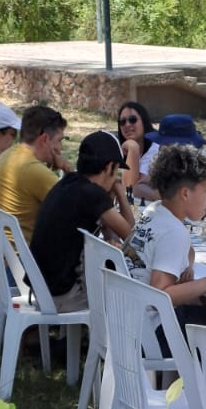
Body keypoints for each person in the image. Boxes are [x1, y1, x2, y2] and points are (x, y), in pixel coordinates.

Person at [123, 144, 206, 333]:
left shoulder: (154, 211)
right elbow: (161, 294)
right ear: (185, 193)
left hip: (128, 321)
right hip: (151, 334)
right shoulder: (173, 231)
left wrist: (187, 266)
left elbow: (186, 251)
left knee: (203, 303)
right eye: (205, 189)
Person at [0, 104, 68, 285]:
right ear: (44, 139)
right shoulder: (32, 170)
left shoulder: (10, 154)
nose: (60, 148)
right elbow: (78, 210)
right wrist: (68, 170)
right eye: (59, 141)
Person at [30, 132, 134, 311]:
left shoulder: (70, 182)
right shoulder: (92, 195)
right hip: (62, 296)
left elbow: (112, 235)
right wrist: (120, 194)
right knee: (129, 291)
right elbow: (131, 237)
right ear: (109, 166)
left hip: (40, 288)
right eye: (116, 170)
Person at [116, 101, 159, 196]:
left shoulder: (155, 152)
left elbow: (130, 189)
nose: (127, 124)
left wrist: (133, 148)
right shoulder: (120, 150)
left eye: (132, 119)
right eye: (122, 122)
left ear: (144, 121)